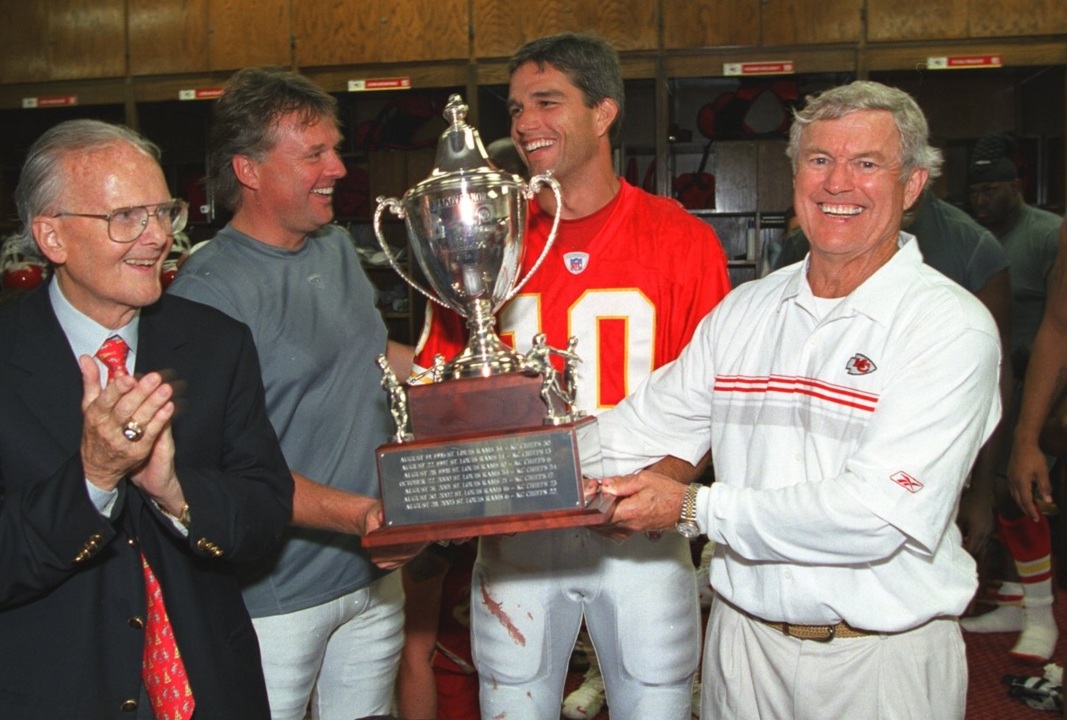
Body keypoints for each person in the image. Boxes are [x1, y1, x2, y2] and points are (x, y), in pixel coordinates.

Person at [596, 80, 1001, 720]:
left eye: (866, 164)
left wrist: (694, 507)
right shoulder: (745, 311)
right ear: (795, 175)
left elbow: (876, 515)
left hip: (881, 665)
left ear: (914, 185)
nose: (837, 183)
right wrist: (498, 469)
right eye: (819, 160)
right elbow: (636, 430)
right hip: (742, 648)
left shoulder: (949, 326)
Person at [406, 32, 731, 720]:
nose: (524, 124)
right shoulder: (482, 237)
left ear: (604, 111)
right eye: (517, 107)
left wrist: (661, 488)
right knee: (512, 702)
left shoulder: (680, 238)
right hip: (519, 524)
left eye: (546, 102)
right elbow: (446, 390)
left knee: (656, 702)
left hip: (639, 525)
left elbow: (713, 397)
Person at [0, 118, 293, 717]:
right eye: (126, 218)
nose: (158, 237)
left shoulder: (216, 344)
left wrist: (177, 494)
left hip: (210, 686)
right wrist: (93, 478)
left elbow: (265, 514)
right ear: (51, 238)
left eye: (165, 212)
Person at [168, 66, 417, 720]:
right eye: (314, 154)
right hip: (275, 600)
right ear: (249, 171)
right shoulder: (207, 290)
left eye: (334, 149)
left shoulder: (333, 247)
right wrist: (358, 517)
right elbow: (211, 466)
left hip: (372, 578)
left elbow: (366, 357)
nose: (338, 166)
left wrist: (473, 379)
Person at [960, 132, 1062, 661]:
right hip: (1003, 381)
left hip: (1046, 387)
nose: (982, 200)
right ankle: (1021, 598)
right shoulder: (974, 239)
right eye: (975, 191)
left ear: (1017, 186)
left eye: (992, 189)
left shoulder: (1046, 234)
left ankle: (1040, 608)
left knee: (1026, 493)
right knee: (1002, 489)